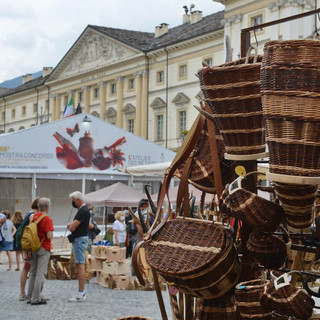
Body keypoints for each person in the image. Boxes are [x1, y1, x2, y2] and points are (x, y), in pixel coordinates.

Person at [27, 198, 54, 305]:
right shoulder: (47, 219)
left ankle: (29, 297)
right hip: (43, 247)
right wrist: (51, 233)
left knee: (32, 272)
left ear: (38, 207)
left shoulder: (33, 217)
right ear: (48, 207)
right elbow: (49, 235)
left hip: (33, 247)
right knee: (40, 274)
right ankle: (35, 299)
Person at [67, 191, 91, 302]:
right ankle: (81, 292)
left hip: (79, 240)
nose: (73, 203)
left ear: (78, 200)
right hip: (80, 239)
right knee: (79, 265)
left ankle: (81, 293)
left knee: (80, 265)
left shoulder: (83, 211)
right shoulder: (83, 210)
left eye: (73, 201)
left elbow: (72, 228)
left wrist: (70, 225)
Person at [19, 197, 40, 301]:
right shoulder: (33, 215)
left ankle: (24, 293)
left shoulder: (28, 213)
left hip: (26, 244)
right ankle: (25, 293)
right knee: (28, 268)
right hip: (29, 245)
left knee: (26, 267)